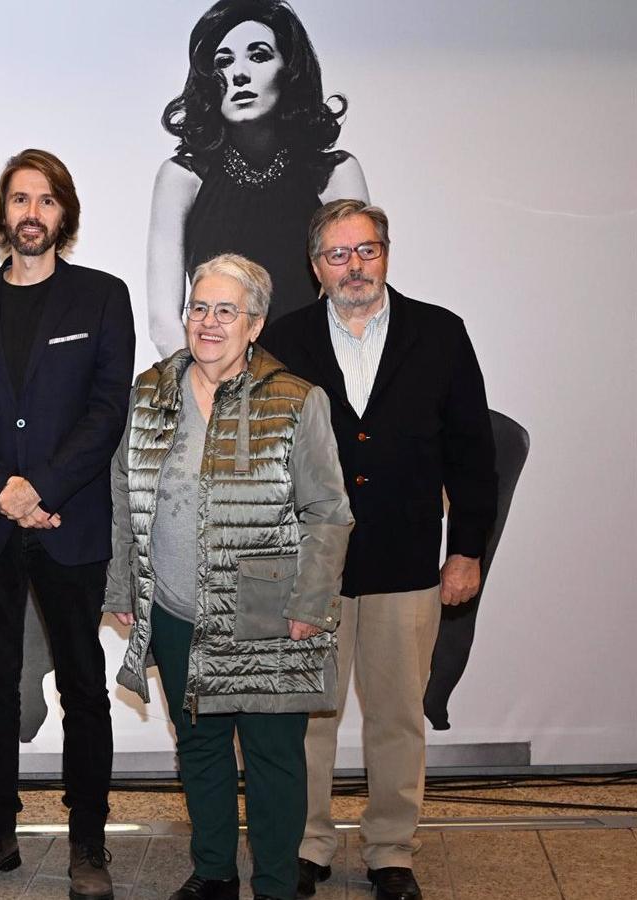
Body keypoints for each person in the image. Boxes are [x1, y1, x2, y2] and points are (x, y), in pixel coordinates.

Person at [262, 200, 497, 900]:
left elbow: (472, 454)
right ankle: (307, 845)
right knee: (308, 719)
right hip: (311, 570)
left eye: (366, 250)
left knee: (397, 715)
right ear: (316, 267)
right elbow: (266, 461)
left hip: (407, 560)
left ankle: (392, 850)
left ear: (385, 254)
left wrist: (468, 550)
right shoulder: (284, 340)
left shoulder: (440, 333)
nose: (354, 266)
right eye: (339, 255)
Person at [105, 253, 353, 900]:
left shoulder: (299, 400)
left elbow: (329, 512)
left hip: (268, 614)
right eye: (198, 308)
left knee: (273, 762)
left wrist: (313, 602)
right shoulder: (149, 392)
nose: (208, 323)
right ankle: (213, 872)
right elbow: (122, 489)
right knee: (202, 752)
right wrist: (124, 588)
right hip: (176, 611)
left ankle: (274, 884)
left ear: (255, 324)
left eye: (225, 311)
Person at [0, 149, 134, 899]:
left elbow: (106, 410)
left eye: (45, 200)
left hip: (70, 522)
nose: (31, 213)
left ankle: (89, 843)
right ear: (3, 215)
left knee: (84, 686)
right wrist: (2, 491)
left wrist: (41, 488)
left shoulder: (102, 298)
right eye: (19, 199)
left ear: (64, 215)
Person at [146, 0, 369, 356]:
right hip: (216, 382)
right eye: (223, 61)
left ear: (290, 71)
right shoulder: (182, 178)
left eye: (259, 56)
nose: (239, 74)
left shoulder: (334, 174)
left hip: (311, 381)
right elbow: (163, 323)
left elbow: (356, 302)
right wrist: (207, 397)